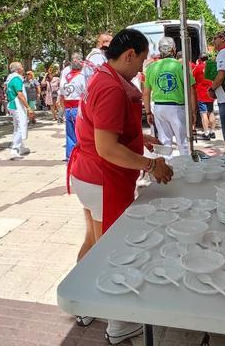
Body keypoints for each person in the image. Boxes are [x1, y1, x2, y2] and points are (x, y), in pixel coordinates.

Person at [66, 28, 172, 342]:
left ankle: (82, 302)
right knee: (112, 251)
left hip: (86, 174)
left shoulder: (101, 76)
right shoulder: (112, 87)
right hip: (103, 177)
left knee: (92, 240)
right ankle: (119, 322)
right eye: (140, 61)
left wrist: (141, 138)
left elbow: (108, 130)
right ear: (129, 55)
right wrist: (152, 165)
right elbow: (108, 148)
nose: (141, 69)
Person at [142, 37, 196, 156]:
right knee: (183, 142)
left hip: (159, 108)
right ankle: (186, 168)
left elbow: (146, 93)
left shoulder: (151, 67)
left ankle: (167, 169)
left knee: (164, 142)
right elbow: (191, 90)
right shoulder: (181, 67)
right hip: (177, 108)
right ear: (174, 49)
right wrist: (193, 111)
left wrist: (148, 113)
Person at [59, 53, 88, 161]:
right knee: (81, 133)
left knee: (71, 133)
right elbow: (87, 93)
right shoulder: (83, 74)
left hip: (69, 107)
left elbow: (61, 93)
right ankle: (80, 156)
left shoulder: (66, 75)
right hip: (78, 107)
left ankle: (70, 156)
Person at [6, 62, 34, 159]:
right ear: (18, 69)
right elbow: (20, 94)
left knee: (17, 126)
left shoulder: (10, 79)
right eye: (21, 66)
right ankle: (15, 149)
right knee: (21, 126)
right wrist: (28, 107)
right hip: (17, 105)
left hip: (13, 105)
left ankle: (21, 147)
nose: (23, 68)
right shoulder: (17, 79)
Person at [192, 54, 216, 140]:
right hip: (210, 92)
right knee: (211, 112)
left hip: (201, 92)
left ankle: (206, 133)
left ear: (200, 59)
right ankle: (212, 131)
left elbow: (192, 77)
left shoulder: (198, 67)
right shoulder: (212, 67)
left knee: (203, 113)